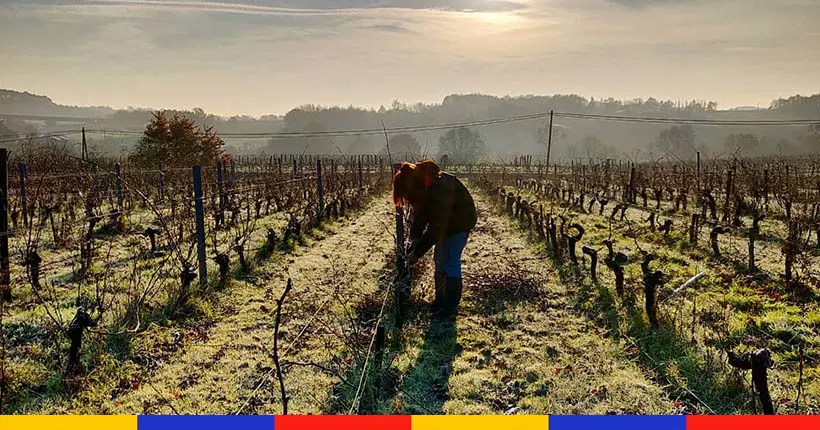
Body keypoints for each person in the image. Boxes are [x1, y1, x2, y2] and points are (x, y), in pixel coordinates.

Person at [392, 160, 477, 317]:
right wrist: (414, 240)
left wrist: (417, 253)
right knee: (439, 260)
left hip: (461, 221)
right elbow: (421, 217)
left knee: (452, 262)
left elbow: (436, 228)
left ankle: (449, 308)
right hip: (445, 223)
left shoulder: (440, 189)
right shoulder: (424, 186)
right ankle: (440, 300)